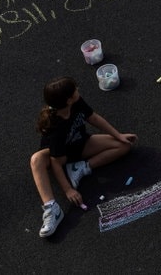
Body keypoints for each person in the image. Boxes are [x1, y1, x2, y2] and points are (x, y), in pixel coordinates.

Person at [29, 76, 137, 238]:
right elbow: (56, 162)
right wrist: (68, 190)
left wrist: (118, 135)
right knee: (36, 160)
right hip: (58, 155)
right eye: (75, 90)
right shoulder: (55, 127)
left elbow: (93, 118)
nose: (78, 90)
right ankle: (52, 208)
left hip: (80, 145)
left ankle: (81, 168)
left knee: (124, 145)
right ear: (68, 100)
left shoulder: (76, 103)